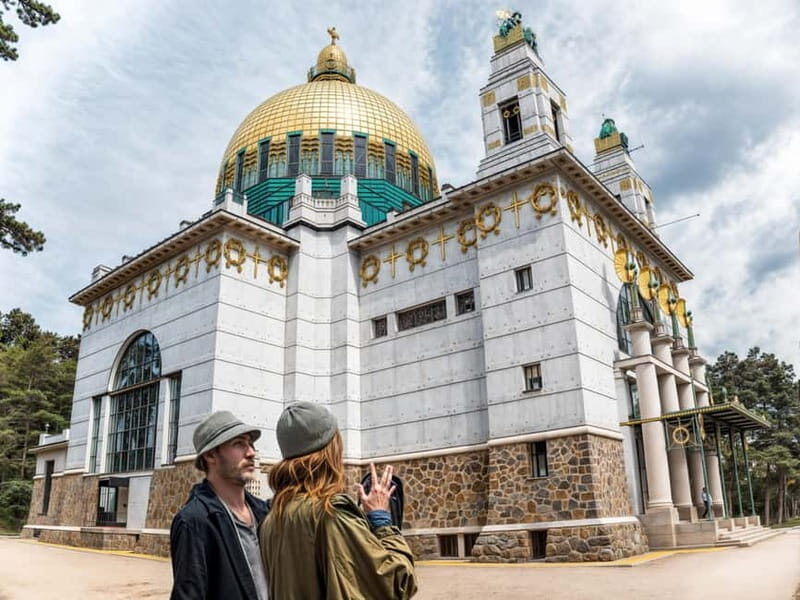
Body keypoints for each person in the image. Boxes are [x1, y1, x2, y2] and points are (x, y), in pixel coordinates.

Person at [259, 401, 417, 599]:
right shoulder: (331, 513)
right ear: (330, 449)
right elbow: (398, 583)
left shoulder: (271, 518)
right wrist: (381, 520)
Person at [170, 411, 269, 600]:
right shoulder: (194, 522)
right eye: (239, 444)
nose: (251, 453)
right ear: (210, 456)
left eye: (250, 444)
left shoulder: (263, 512)